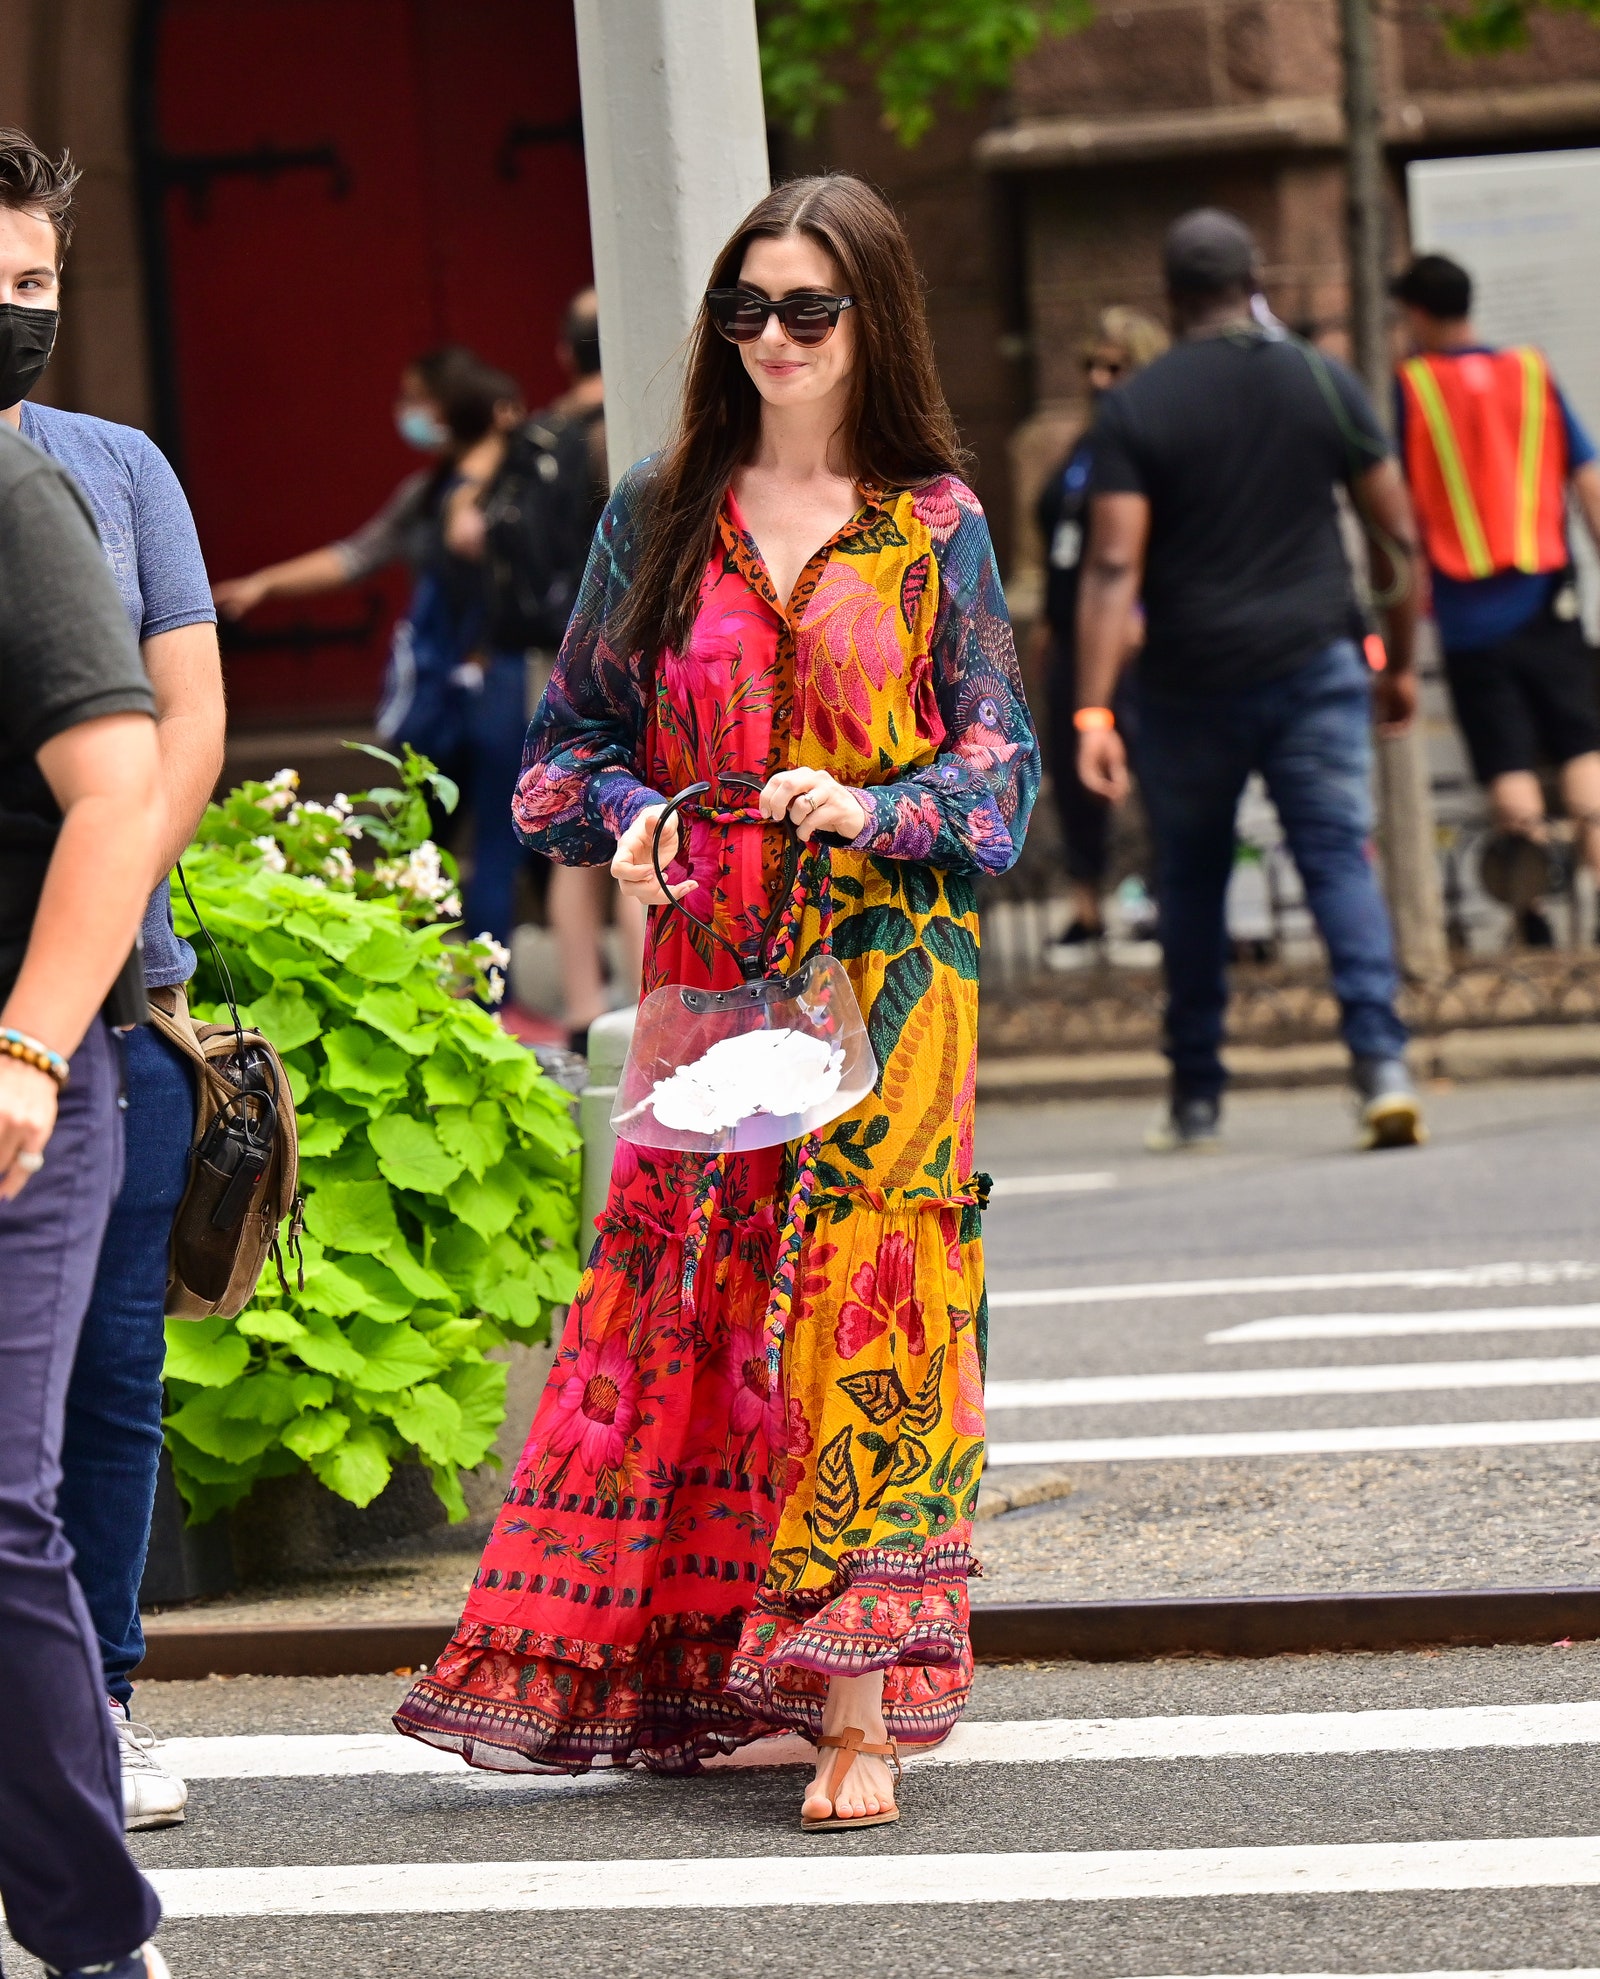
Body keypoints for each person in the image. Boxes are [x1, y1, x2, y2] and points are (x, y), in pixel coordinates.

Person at [396, 174, 1038, 1829]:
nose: (769, 337)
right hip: (712, 971)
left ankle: (855, 1703)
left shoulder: (934, 524)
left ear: (869, 321)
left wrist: (875, 804)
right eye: (744, 309)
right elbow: (558, 758)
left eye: (806, 310)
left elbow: (1002, 775)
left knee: (860, 1307)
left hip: (891, 980)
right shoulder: (660, 508)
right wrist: (634, 818)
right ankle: (711, 1669)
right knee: (704, 1317)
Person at [0, 127, 226, 1835]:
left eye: (40, 283)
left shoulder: (112, 465)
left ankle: (108, 1697)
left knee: (106, 1377)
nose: (24, 311)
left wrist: (79, 951)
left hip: (116, 1002)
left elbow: (181, 726)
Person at [1077, 208, 1425, 1153]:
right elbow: (1396, 538)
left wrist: (1094, 706)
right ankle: (1381, 1067)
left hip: (1190, 685)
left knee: (1190, 878)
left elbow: (1113, 567)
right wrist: (1400, 661)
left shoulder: (1139, 407)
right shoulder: (1320, 377)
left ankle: (1196, 1094)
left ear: (1172, 296)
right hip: (1317, 664)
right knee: (1336, 859)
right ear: (1251, 279)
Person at [0, 409, 168, 1971]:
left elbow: (122, 788)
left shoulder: (15, 492)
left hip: (19, 1074)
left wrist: (29, 1050)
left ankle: (90, 1938)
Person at [212, 347, 525, 942]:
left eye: (418, 398)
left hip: (492, 684)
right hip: (464, 687)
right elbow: (357, 555)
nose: (407, 412)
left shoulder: (486, 494)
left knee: (454, 843)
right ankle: (466, 988)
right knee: (457, 842)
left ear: (453, 407)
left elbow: (358, 556)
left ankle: (467, 991)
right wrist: (264, 585)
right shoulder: (435, 491)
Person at [447, 288, 645, 1042]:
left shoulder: (540, 438)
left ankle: (587, 1012)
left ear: (565, 352)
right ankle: (650, 1002)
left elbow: (469, 532)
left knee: (581, 831)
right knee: (644, 823)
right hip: (640, 651)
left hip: (559, 657)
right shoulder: (635, 430)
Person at [1391, 251, 1600, 946]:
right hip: (1548, 593)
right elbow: (1588, 478)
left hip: (1466, 614)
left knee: (1506, 760)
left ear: (1417, 314)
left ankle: (1532, 913)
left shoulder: (1412, 387)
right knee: (1582, 745)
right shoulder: (1531, 372)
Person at [1034, 306, 1167, 961]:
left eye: (1115, 366)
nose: (1098, 377)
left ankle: (1163, 900)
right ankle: (1086, 908)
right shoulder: (1087, 445)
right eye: (1091, 364)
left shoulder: (1151, 439)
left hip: (1130, 641)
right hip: (1073, 638)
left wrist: (1136, 615)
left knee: (1144, 762)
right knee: (1071, 768)